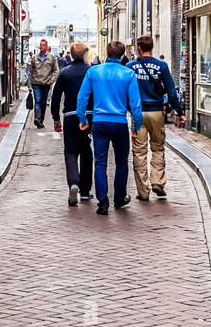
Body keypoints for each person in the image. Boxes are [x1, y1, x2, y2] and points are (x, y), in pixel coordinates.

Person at [77, 40, 142, 215]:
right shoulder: (128, 74)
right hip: (119, 123)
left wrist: (82, 118)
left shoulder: (94, 71)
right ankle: (119, 198)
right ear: (122, 56)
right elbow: (135, 104)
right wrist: (136, 125)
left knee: (100, 163)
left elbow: (82, 97)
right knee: (121, 162)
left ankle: (103, 202)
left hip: (99, 122)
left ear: (106, 53)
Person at [126, 34, 186, 201]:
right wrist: (179, 113)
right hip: (156, 112)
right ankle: (158, 183)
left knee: (139, 152)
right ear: (151, 47)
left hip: (138, 113)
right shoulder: (161, 66)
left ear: (139, 48)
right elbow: (171, 92)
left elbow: (125, 91)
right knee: (158, 148)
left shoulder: (130, 67)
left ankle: (143, 191)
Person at [51, 42, 93, 206]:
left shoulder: (64, 73)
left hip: (69, 116)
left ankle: (73, 182)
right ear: (84, 55)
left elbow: (56, 97)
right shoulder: (91, 72)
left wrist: (55, 118)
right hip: (89, 116)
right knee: (87, 152)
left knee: (70, 152)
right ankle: (85, 190)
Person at [25, 38, 60, 127]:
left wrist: (51, 81)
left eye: (43, 45)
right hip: (36, 83)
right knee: (38, 100)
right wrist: (30, 83)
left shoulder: (52, 58)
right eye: (40, 45)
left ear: (46, 46)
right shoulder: (34, 57)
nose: (41, 46)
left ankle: (41, 120)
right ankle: (37, 118)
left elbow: (56, 71)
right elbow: (31, 71)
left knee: (43, 102)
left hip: (46, 84)